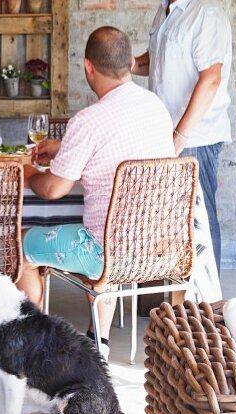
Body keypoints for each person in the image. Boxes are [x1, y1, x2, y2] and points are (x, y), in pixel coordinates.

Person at [20, 27, 175, 356]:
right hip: (157, 244)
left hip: (106, 252)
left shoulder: (89, 120)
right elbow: (120, 149)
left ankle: (33, 350)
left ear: (88, 67)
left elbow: (52, 190)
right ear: (131, 64)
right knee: (108, 233)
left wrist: (29, 172)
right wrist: (64, 147)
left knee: (21, 246)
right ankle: (97, 345)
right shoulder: (156, 108)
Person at [132, 0, 232, 273]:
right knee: (174, 221)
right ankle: (179, 306)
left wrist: (179, 138)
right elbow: (156, 60)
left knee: (201, 220)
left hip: (196, 139)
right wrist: (127, 65)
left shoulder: (206, 13)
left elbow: (211, 79)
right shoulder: (164, 11)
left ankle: (210, 309)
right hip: (169, 136)